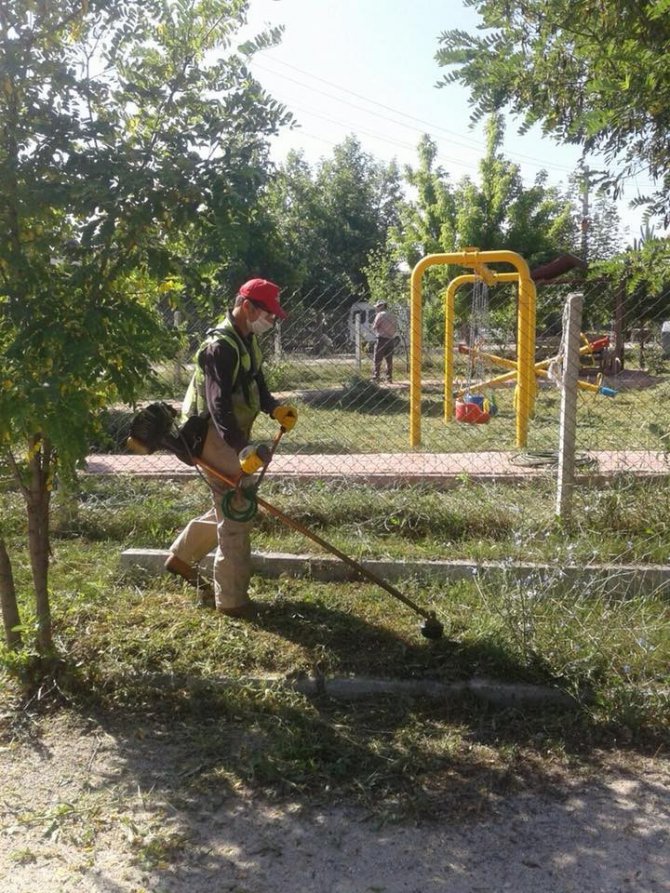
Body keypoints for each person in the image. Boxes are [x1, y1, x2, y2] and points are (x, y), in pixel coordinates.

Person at [164, 278, 298, 619]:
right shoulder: (219, 347)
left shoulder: (247, 339)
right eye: (269, 314)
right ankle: (232, 601)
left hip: (233, 433)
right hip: (213, 434)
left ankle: (182, 556)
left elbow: (258, 384)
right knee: (237, 508)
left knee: (230, 504)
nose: (272, 321)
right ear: (248, 307)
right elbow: (219, 404)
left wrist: (274, 408)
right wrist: (241, 448)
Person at [371, 300, 398, 383]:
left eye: (378, 306)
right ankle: (389, 378)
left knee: (377, 359)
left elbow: (374, 327)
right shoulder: (392, 315)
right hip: (391, 339)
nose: (376, 308)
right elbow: (395, 328)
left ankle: (376, 377)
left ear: (382, 306)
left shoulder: (380, 315)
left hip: (381, 339)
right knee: (389, 360)